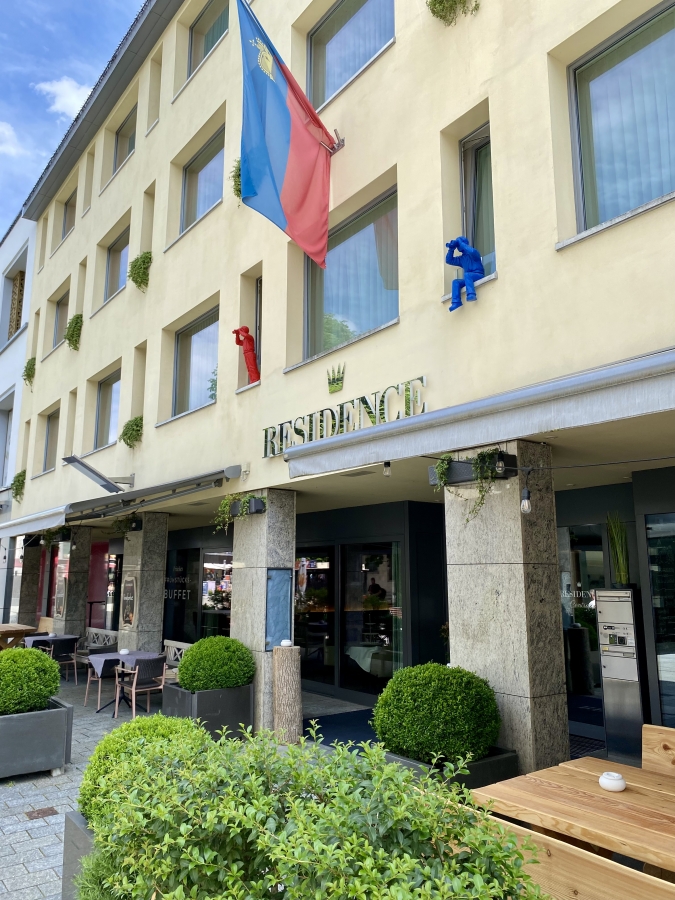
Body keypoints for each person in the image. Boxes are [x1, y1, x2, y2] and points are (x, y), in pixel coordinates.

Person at [445, 236, 485, 311]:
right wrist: (451, 249)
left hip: (478, 275)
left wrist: (461, 243)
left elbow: (472, 251)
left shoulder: (474, 254)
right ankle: (456, 302)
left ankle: (471, 294)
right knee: (456, 282)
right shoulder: (462, 259)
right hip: (469, 279)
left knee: (467, 275)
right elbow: (449, 260)